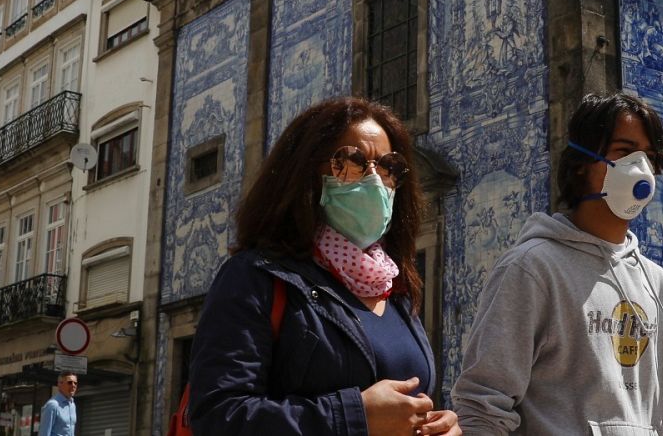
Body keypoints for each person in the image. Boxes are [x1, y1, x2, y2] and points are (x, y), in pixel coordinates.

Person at [453, 92, 663, 435]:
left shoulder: (656, 283)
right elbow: (483, 408)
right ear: (580, 164)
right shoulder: (532, 269)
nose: (641, 169)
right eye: (624, 151)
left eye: (649, 157)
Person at [188, 97, 459, 436]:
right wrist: (352, 417)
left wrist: (436, 426)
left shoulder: (395, 288)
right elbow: (217, 415)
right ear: (305, 172)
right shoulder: (255, 278)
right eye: (351, 161)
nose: (375, 180)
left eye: (388, 167)